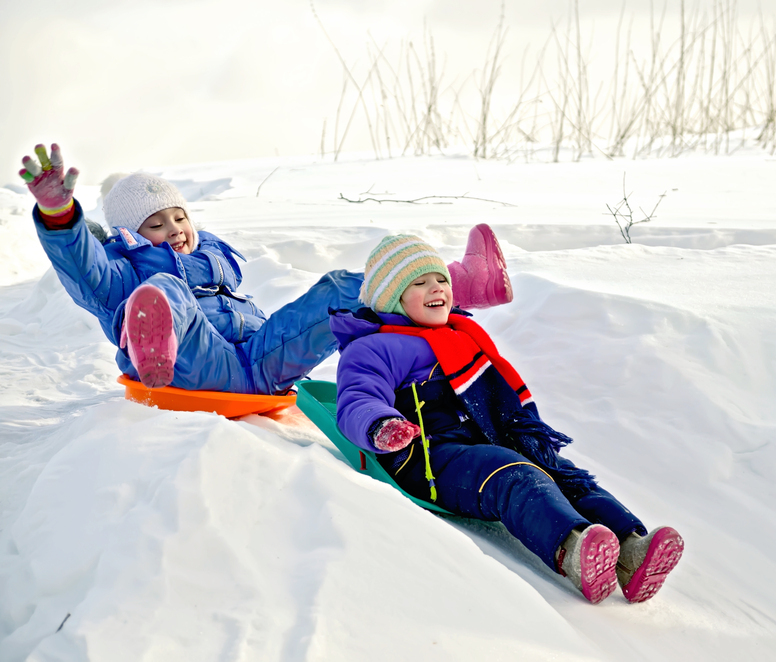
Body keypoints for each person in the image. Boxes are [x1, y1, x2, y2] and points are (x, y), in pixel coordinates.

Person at [331, 235, 684, 604]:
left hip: (489, 436)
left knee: (562, 472)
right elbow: (357, 398)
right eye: (419, 283)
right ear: (393, 298)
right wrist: (382, 425)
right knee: (514, 473)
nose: (436, 288)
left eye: (441, 280)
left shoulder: (459, 334)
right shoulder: (373, 346)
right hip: (431, 454)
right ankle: (574, 549)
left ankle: (631, 549)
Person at [18, 143, 512, 394]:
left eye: (179, 216)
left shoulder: (213, 262)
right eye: (155, 224)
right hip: (193, 368)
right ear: (130, 237)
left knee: (339, 288)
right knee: (162, 288)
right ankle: (154, 346)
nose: (174, 228)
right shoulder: (124, 274)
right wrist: (61, 217)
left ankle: (463, 284)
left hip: (258, 364)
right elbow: (84, 270)